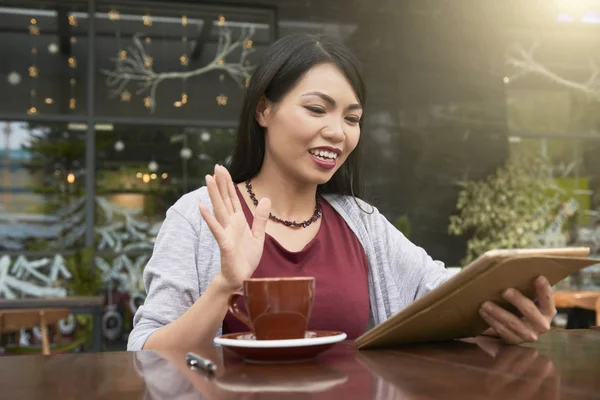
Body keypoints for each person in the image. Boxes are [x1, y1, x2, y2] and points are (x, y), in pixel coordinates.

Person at [128, 33, 557, 351]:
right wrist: (224, 286)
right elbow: (145, 353)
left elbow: (439, 293)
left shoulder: (361, 222)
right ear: (264, 109)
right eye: (316, 109)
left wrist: (505, 309)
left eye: (352, 118)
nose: (337, 132)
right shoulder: (200, 215)